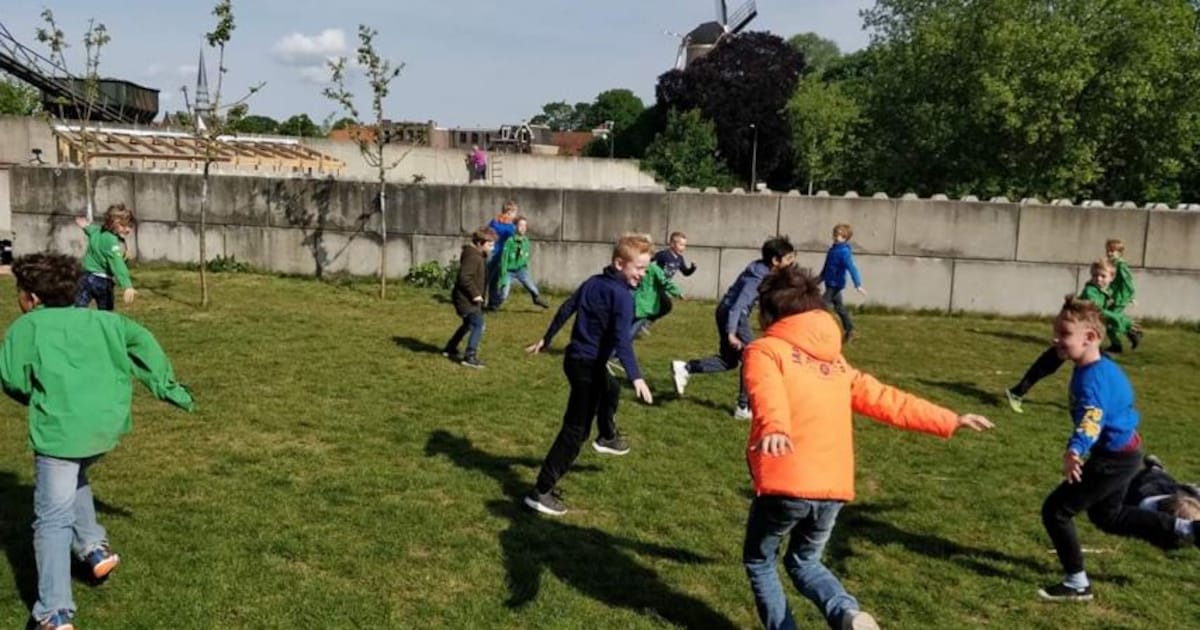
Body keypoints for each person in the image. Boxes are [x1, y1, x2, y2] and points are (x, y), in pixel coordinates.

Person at [741, 265, 993, 630]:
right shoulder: (837, 364)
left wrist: (776, 426)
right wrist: (949, 419)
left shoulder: (765, 350)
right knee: (805, 561)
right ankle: (847, 614)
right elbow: (888, 400)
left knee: (760, 560)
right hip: (834, 488)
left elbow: (767, 392)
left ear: (768, 311)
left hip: (787, 479)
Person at [0, 252, 194, 630]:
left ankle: (53, 612)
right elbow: (144, 341)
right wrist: (166, 386)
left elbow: (12, 379)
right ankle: (92, 547)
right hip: (101, 430)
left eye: (19, 291)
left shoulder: (28, 327)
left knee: (52, 521)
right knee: (76, 476)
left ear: (33, 297)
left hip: (60, 433)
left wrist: (36, 394)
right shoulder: (107, 321)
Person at [1036, 298, 1196, 602]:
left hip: (1114, 458)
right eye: (1055, 331)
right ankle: (1186, 529)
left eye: (1064, 333)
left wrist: (1074, 451)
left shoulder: (1092, 380)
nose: (1056, 338)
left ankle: (1077, 583)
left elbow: (1091, 419)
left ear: (1091, 337)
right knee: (1108, 516)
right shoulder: (1102, 365)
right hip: (1126, 452)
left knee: (1056, 511)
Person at [523, 234, 655, 516]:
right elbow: (622, 341)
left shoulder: (593, 282)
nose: (643, 275)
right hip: (587, 366)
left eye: (645, 269)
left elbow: (566, 308)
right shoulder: (621, 297)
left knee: (611, 390)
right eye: (640, 268)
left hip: (575, 360)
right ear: (620, 264)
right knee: (575, 430)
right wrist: (637, 376)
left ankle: (607, 436)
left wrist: (546, 339)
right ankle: (541, 491)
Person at [671, 237, 796, 420]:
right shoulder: (757, 277)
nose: (792, 261)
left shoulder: (763, 269)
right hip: (734, 316)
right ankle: (743, 407)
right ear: (775, 261)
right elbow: (738, 305)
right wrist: (731, 333)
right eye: (789, 258)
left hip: (725, 311)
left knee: (729, 361)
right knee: (753, 357)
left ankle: (686, 368)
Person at [1005, 259, 1130, 413]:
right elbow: (1097, 310)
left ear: (1111, 278)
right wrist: (1120, 319)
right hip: (1076, 338)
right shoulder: (1091, 292)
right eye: (1095, 275)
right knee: (1051, 365)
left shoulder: (1105, 292)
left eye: (1103, 276)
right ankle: (1018, 392)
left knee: (1058, 365)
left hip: (1082, 338)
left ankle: (1018, 391)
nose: (1098, 279)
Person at [443, 227, 496, 368]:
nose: (493, 248)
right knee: (478, 324)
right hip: (466, 299)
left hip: (467, 298)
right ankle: (469, 356)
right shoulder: (473, 257)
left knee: (468, 324)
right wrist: (475, 294)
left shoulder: (478, 255)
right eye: (490, 245)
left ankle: (450, 347)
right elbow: (464, 278)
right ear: (479, 243)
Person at [75, 203, 137, 310]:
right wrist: (127, 285)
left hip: (86, 277)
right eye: (123, 226)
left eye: (130, 226)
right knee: (106, 313)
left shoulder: (98, 230)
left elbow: (90, 229)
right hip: (102, 281)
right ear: (113, 224)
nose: (128, 230)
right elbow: (118, 264)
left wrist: (85, 226)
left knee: (79, 307)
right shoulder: (112, 242)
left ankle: (75, 324)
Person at [819, 223, 867, 343]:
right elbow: (827, 267)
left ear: (846, 238)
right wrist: (819, 279)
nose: (837, 237)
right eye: (835, 235)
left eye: (841, 236)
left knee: (821, 306)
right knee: (840, 308)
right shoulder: (832, 250)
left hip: (836, 284)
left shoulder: (844, 253)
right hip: (829, 282)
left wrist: (858, 284)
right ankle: (850, 330)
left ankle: (823, 330)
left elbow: (852, 268)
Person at [495, 216, 550, 310]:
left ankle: (536, 299)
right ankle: (495, 304)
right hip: (509, 271)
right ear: (515, 227)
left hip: (521, 270)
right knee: (504, 293)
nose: (523, 228)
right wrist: (503, 274)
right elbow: (504, 258)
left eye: (525, 225)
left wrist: (524, 266)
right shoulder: (509, 241)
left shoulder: (526, 241)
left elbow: (527, 255)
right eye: (520, 225)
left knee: (532, 288)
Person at [648, 232, 697, 328]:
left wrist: (692, 268)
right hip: (654, 284)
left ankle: (647, 321)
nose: (683, 248)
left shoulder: (679, 258)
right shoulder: (662, 255)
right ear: (672, 244)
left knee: (665, 307)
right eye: (681, 245)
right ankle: (644, 322)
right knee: (666, 305)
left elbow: (685, 272)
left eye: (685, 245)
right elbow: (649, 263)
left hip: (664, 286)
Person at [1106, 238, 1142, 352]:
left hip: (1120, 298)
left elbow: (1128, 281)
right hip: (1114, 297)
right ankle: (1118, 343)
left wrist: (1131, 296)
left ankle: (1130, 333)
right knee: (1110, 321)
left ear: (1119, 252)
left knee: (1112, 321)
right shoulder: (1112, 263)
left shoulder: (1121, 265)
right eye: (1108, 250)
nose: (1109, 253)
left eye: (1112, 251)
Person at [631, 259, 682, 339]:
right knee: (631, 331)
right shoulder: (653, 268)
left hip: (634, 302)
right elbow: (664, 281)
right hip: (645, 306)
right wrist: (677, 292)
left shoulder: (631, 265)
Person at [485, 201, 519, 311]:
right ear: (509, 212)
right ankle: (487, 301)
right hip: (499, 255)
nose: (515, 215)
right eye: (514, 213)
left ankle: (491, 302)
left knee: (492, 279)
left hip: (491, 252)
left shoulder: (494, 222)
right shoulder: (511, 227)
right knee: (491, 279)